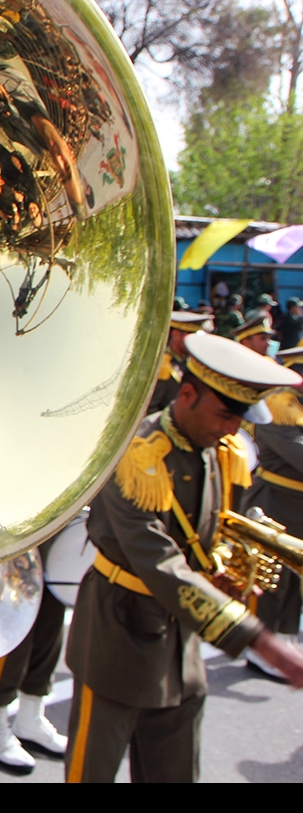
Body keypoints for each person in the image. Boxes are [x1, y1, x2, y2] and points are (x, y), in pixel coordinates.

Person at [64, 332, 303, 782]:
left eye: (240, 418)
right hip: (119, 639)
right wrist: (261, 639)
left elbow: (212, 532)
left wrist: (228, 568)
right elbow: (160, 564)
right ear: (188, 394)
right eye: (226, 415)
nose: (233, 429)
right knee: (91, 774)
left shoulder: (213, 447)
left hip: (182, 649)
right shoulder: (135, 453)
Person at [0, 545, 68, 771]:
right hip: (21, 535)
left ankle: (30, 717)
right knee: (13, 622)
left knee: (51, 619)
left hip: (54, 530)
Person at [241, 347, 303, 677]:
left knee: (294, 579)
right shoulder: (280, 410)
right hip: (276, 503)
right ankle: (259, 646)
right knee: (271, 580)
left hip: (298, 507)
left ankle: (283, 637)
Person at [147, 310, 213, 415]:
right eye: (189, 336)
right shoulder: (164, 365)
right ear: (176, 335)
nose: (194, 342)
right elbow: (151, 406)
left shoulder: (190, 362)